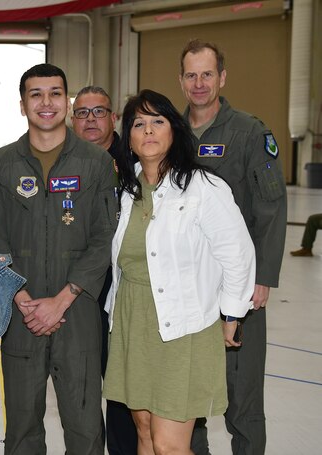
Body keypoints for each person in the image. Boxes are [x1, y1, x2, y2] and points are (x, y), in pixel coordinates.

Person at [104, 88, 256, 455]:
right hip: (131, 322)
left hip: (184, 327)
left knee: (170, 445)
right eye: (139, 124)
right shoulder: (127, 189)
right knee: (143, 434)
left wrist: (232, 315)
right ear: (130, 138)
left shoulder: (203, 187)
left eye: (158, 121)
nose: (149, 130)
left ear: (174, 130)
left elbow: (238, 253)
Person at [0, 63, 117, 455]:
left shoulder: (95, 163)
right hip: (20, 313)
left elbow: (104, 237)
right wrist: (22, 300)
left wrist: (62, 299)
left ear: (68, 100)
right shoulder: (1, 164)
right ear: (22, 104)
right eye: (36, 94)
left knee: (85, 424)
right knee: (22, 426)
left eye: (55, 93)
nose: (46, 102)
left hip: (78, 311)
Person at [179, 39, 287, 455]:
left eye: (208, 74)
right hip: (187, 289)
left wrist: (262, 279)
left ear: (222, 77)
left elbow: (271, 207)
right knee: (189, 402)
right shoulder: (171, 132)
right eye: (192, 75)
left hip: (235, 286)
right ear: (182, 80)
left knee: (242, 401)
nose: (200, 83)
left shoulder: (249, 131)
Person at [72, 86, 137, 455]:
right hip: (77, 291)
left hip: (123, 291)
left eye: (99, 111)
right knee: (79, 388)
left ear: (113, 118)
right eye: (83, 112)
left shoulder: (136, 158)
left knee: (121, 386)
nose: (91, 119)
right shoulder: (64, 159)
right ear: (72, 119)